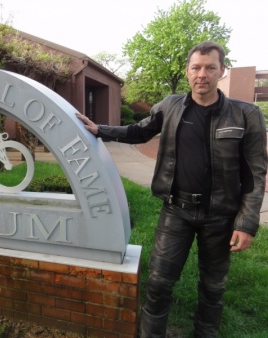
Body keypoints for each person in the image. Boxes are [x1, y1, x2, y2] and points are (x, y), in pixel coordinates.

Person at [76, 41, 267, 337]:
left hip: (221, 214)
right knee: (159, 282)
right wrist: (101, 130)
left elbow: (255, 170)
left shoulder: (246, 115)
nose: (202, 74)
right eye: (196, 67)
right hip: (176, 210)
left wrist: (247, 223)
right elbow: (140, 131)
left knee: (213, 285)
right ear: (188, 71)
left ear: (222, 71)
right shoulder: (171, 106)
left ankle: (205, 333)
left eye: (210, 67)